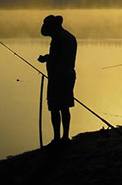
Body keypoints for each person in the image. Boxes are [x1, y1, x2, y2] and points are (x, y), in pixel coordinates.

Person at [38, 15, 77, 146]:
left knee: (55, 107)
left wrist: (45, 59)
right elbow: (61, 56)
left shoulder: (58, 39)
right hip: (69, 75)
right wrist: (48, 58)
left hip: (58, 78)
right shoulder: (69, 37)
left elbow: (56, 58)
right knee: (65, 107)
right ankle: (65, 137)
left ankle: (57, 138)